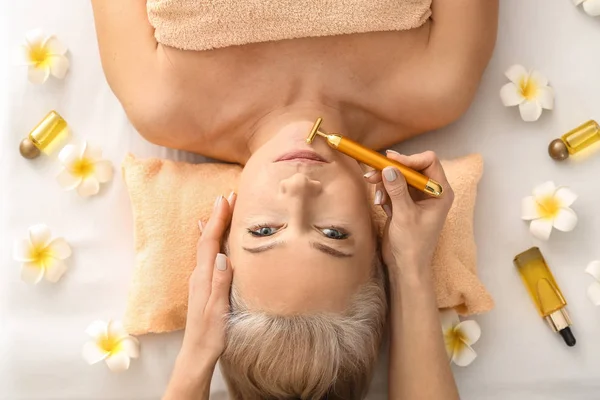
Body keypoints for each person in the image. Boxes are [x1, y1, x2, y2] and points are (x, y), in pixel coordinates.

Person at [91, 1, 498, 398]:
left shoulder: (161, 99)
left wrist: (198, 355)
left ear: (223, 238)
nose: (300, 190)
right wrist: (410, 268)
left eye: (264, 230)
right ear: (379, 238)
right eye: (334, 234)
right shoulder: (440, 79)